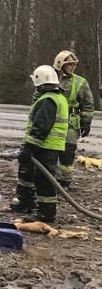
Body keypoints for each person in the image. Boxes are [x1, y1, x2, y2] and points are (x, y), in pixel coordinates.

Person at [12, 65, 69, 223]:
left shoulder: (47, 101)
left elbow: (40, 128)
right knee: (36, 177)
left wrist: (29, 148)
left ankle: (46, 214)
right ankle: (30, 204)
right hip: (50, 147)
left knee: (44, 182)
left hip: (45, 147)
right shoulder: (58, 98)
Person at [41, 50, 94, 189]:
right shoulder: (49, 79)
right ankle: (48, 178)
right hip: (51, 120)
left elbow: (88, 104)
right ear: (60, 65)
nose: (72, 67)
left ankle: (64, 181)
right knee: (49, 151)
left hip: (71, 122)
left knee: (68, 153)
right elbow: (38, 98)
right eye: (69, 64)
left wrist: (86, 123)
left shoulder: (80, 82)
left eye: (74, 65)